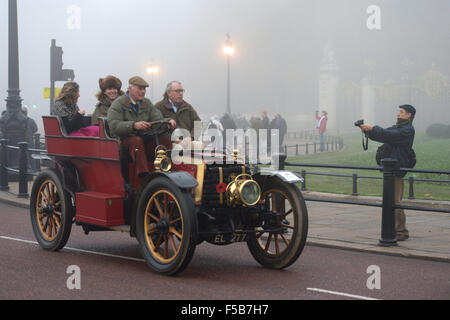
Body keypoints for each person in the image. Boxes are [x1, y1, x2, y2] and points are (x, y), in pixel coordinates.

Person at [359, 104, 417, 241]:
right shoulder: (399, 127)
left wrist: (373, 128)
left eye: (401, 112)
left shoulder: (407, 130)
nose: (398, 114)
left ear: (409, 115)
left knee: (395, 201)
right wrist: (368, 131)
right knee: (392, 200)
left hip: (396, 169)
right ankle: (394, 229)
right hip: (391, 169)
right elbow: (384, 135)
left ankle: (401, 231)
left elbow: (389, 135)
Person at [107, 76, 176, 178]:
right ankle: (144, 175)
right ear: (130, 89)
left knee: (165, 140)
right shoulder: (118, 103)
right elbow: (113, 126)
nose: (143, 92)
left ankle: (167, 169)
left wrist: (168, 122)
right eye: (140, 89)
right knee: (136, 141)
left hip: (145, 140)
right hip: (123, 143)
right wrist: (133, 126)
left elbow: (157, 119)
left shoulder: (146, 103)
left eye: (144, 89)